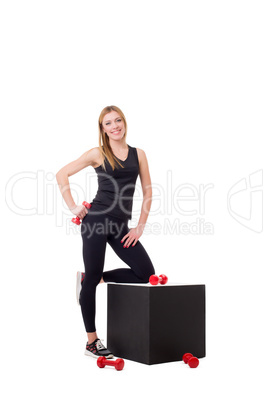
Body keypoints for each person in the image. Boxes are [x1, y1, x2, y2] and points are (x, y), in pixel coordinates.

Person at [56, 105, 155, 359]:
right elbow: (62, 174)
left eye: (118, 120)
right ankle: (92, 342)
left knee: (145, 273)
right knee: (91, 280)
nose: (115, 126)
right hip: (96, 221)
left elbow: (148, 192)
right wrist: (74, 206)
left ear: (124, 122)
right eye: (108, 123)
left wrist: (139, 228)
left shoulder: (139, 154)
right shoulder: (97, 153)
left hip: (121, 226)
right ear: (103, 129)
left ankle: (94, 278)